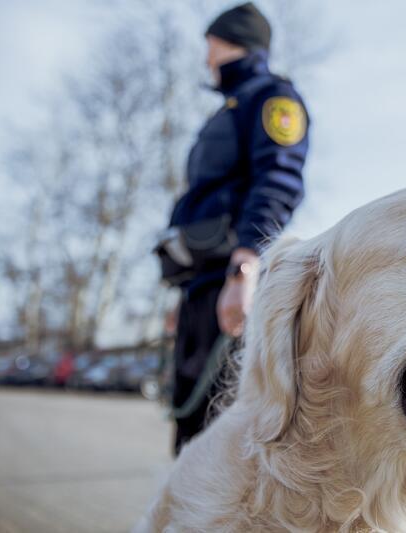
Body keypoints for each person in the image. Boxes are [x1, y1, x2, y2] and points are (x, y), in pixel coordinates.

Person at [166, 2, 309, 457]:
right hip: (201, 285)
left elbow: (277, 182)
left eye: (210, 45)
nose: (206, 57)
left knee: (219, 427)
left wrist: (244, 270)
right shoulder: (229, 107)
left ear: (231, 42)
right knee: (190, 425)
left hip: (229, 280)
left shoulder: (274, 99)